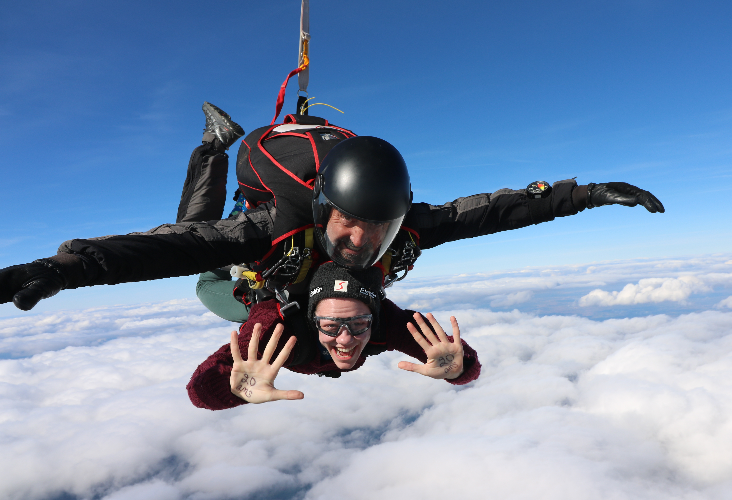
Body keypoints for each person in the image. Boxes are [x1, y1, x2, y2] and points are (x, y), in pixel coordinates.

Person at [0, 103, 665, 313]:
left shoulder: (404, 230)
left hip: (306, 287)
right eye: (349, 222)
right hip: (253, 279)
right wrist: (72, 268)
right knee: (203, 250)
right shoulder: (275, 223)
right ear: (323, 206)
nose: (360, 239)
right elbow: (172, 247)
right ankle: (213, 148)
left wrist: (583, 195)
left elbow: (485, 211)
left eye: (379, 228)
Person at [187, 262, 481, 409]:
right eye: (329, 325)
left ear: (374, 316)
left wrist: (458, 369)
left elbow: (460, 361)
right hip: (257, 300)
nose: (344, 339)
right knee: (206, 283)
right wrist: (230, 388)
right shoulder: (277, 326)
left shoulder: (385, 322)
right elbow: (199, 390)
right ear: (311, 319)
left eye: (358, 324)